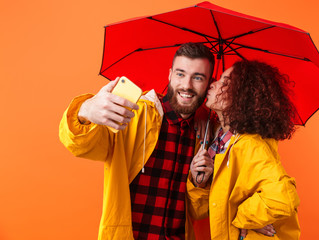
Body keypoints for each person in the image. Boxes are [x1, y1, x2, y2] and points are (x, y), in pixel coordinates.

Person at [59, 42, 215, 240]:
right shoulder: (133, 112)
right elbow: (81, 146)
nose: (186, 85)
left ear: (210, 83)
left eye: (198, 78)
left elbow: (197, 212)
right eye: (180, 74)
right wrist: (85, 111)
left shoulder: (206, 133)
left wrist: (198, 183)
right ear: (169, 74)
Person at [187, 60, 301, 239]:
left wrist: (241, 217)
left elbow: (283, 198)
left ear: (242, 97)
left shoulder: (250, 145)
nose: (213, 84)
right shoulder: (216, 143)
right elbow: (199, 211)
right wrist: (198, 182)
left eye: (224, 83)